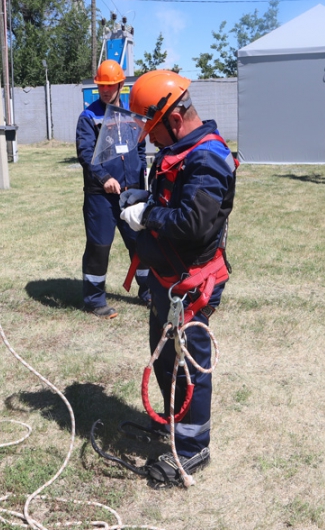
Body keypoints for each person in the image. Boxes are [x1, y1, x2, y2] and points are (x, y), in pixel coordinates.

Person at [120, 70, 237, 485]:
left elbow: (192, 223)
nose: (150, 139)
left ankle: (192, 449)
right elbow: (174, 200)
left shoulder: (208, 158)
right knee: (166, 356)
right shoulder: (180, 150)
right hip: (167, 280)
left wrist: (148, 214)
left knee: (188, 365)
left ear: (174, 119)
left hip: (192, 286)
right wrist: (146, 199)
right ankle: (175, 424)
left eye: (152, 129)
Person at [76, 60, 150, 319]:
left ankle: (148, 291)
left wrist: (142, 176)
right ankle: (95, 300)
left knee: (142, 244)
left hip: (132, 194)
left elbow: (140, 146)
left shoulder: (132, 113)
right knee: (99, 246)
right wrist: (104, 177)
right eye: (101, 86)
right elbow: (85, 154)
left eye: (110, 86)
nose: (105, 91)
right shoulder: (89, 117)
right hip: (101, 197)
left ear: (120, 85)